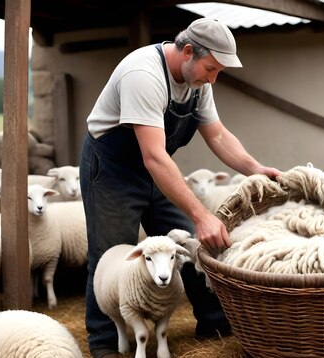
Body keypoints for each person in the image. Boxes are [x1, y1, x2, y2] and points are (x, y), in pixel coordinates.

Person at [79, 17, 281, 358]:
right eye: (210, 68)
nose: (213, 78)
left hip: (156, 170)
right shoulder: (143, 75)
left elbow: (217, 134)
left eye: (218, 71)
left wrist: (255, 169)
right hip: (113, 171)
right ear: (188, 51)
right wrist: (202, 213)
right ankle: (103, 343)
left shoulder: (199, 84)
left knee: (189, 243)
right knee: (110, 254)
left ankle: (215, 323)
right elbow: (154, 155)